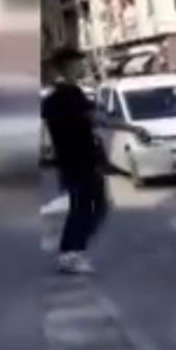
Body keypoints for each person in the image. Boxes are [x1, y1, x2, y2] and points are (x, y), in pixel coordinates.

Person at [42, 47, 110, 274]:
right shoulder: (69, 94)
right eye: (78, 63)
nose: (81, 67)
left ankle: (72, 251)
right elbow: (95, 118)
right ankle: (71, 253)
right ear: (67, 66)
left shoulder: (54, 97)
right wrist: (132, 128)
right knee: (89, 207)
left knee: (87, 207)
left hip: (71, 162)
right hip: (81, 161)